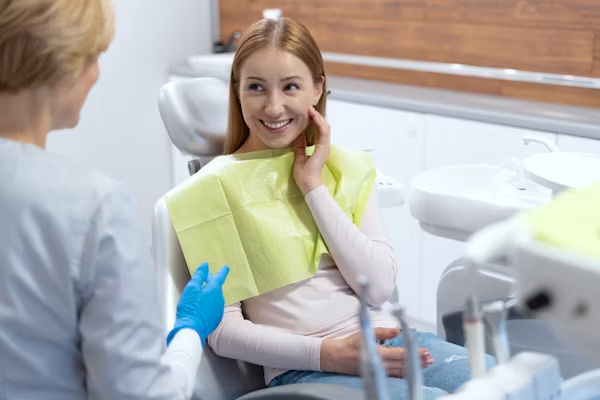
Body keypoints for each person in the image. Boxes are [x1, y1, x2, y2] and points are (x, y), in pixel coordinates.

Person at [205, 17, 494, 400]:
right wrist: (328, 354)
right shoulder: (214, 190)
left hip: (392, 340)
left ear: (317, 88)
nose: (273, 106)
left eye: (290, 86)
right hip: (304, 369)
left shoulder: (347, 170)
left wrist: (312, 187)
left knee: (512, 385)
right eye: (256, 87)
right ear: (237, 91)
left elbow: (377, 288)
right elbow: (222, 332)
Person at [0, 0, 229, 399]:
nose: (96, 74)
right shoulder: (94, 207)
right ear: (63, 59)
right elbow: (141, 395)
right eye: (94, 57)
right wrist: (190, 331)